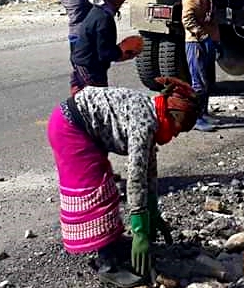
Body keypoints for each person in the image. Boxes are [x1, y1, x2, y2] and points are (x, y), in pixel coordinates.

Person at [46, 78, 200, 287]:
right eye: (177, 129)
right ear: (171, 116)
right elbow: (136, 177)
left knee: (107, 187)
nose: (173, 136)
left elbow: (149, 170)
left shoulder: (152, 112)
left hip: (81, 128)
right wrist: (139, 230)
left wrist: (153, 212)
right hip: (69, 128)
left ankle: (114, 243)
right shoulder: (144, 123)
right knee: (94, 191)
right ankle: (107, 264)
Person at [70, 0, 139, 95]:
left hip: (83, 64)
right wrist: (124, 52)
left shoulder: (98, 11)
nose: (124, 0)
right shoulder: (104, 18)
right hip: (90, 67)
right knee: (94, 103)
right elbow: (105, 53)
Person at [181, 0, 220, 132]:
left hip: (208, 41)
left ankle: (203, 112)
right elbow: (187, 19)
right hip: (196, 43)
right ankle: (195, 119)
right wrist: (203, 36)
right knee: (198, 83)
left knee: (207, 81)